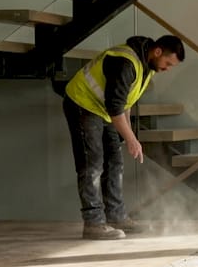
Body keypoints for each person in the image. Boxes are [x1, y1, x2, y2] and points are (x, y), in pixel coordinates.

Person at [63, 35, 185, 240]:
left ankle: (116, 217)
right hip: (82, 104)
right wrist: (130, 139)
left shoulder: (146, 67)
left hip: (102, 110)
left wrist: (128, 134)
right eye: (168, 63)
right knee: (92, 164)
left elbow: (126, 102)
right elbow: (115, 106)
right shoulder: (125, 62)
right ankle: (93, 223)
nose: (167, 69)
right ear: (157, 52)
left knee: (115, 162)